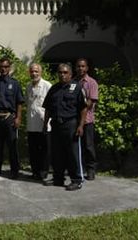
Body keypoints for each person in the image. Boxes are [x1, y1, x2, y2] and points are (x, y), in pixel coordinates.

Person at [42, 63, 87, 191]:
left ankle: (77, 180)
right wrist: (45, 124)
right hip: (56, 124)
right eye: (60, 72)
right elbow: (48, 109)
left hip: (71, 124)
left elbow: (83, 109)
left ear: (70, 74)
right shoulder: (54, 88)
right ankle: (58, 178)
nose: (62, 75)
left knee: (73, 153)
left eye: (65, 72)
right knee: (57, 153)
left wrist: (81, 125)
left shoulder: (77, 87)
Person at [0, 57, 24, 179]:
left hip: (9, 117)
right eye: (1, 67)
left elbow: (19, 102)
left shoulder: (14, 84)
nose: (3, 69)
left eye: (5, 66)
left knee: (12, 145)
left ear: (9, 68)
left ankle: (14, 170)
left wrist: (18, 118)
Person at [26, 63, 52, 181]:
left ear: (40, 72)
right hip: (32, 123)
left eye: (36, 71)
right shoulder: (28, 86)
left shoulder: (47, 85)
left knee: (45, 149)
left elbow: (51, 105)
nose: (34, 73)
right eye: (32, 71)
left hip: (44, 122)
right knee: (33, 149)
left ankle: (43, 171)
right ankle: (35, 171)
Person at [76, 58, 99, 180]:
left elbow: (91, 102)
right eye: (78, 66)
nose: (80, 68)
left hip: (87, 120)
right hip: (74, 121)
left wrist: (78, 107)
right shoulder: (74, 82)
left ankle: (91, 169)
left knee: (88, 146)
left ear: (87, 68)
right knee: (76, 146)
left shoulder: (91, 82)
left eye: (83, 66)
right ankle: (78, 168)